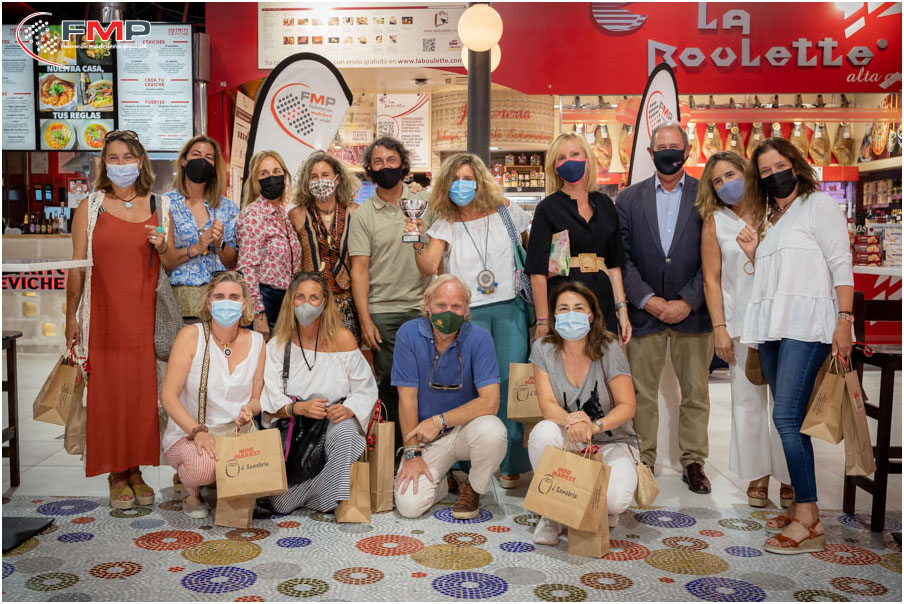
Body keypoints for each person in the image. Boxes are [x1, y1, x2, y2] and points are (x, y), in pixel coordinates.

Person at [737, 137, 853, 554]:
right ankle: (804, 508)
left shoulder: (819, 205)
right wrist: (755, 252)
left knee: (786, 418)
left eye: (779, 167)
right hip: (774, 328)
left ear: (796, 165)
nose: (774, 176)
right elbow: (777, 277)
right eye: (765, 172)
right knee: (788, 418)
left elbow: (841, 263)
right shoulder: (773, 218)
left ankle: (808, 516)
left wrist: (845, 318)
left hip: (806, 326)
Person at [66, 130, 180, 508]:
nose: (121, 164)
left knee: (141, 396)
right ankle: (116, 472)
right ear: (104, 164)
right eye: (113, 158)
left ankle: (136, 469)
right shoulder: (91, 207)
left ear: (140, 161)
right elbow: (77, 267)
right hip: (103, 317)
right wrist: (70, 317)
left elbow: (171, 261)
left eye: (127, 157)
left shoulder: (160, 206)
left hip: (145, 317)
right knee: (108, 395)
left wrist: (163, 245)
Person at [406, 153, 532, 488]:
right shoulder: (444, 222)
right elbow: (428, 267)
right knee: (469, 385)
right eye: (455, 180)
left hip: (509, 308)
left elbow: (528, 251)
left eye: (468, 179)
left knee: (509, 383)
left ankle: (510, 464)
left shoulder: (506, 211)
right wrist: (417, 240)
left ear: (480, 181)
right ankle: (466, 461)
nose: (462, 186)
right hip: (467, 314)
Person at [616, 122, 714, 494]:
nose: (668, 153)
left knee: (696, 393)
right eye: (662, 148)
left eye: (675, 147)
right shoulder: (628, 199)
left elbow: (713, 257)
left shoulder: (706, 196)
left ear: (687, 152)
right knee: (641, 393)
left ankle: (693, 462)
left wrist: (688, 300)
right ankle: (644, 460)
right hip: (645, 314)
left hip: (694, 313)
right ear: (650, 153)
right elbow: (622, 257)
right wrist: (648, 299)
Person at [698, 151, 792, 508]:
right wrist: (719, 328)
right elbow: (711, 279)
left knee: (785, 403)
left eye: (730, 175)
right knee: (747, 401)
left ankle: (789, 475)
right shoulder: (716, 221)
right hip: (739, 323)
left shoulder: (775, 211)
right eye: (717, 181)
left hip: (781, 320)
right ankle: (758, 474)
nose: (725, 184)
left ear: (747, 173)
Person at [528, 282, 638, 544]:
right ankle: (551, 514)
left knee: (615, 501)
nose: (571, 314)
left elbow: (627, 405)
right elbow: (547, 404)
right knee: (542, 432)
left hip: (610, 441)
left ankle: (595, 507)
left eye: (578, 308)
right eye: (563, 309)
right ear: (554, 316)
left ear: (591, 315)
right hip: (570, 441)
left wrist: (593, 426)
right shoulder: (543, 348)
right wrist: (572, 420)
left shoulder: (609, 347)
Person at [261, 272, 377, 514]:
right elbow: (269, 397)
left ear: (324, 303)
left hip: (333, 422)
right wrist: (298, 408)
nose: (306, 304)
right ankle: (330, 494)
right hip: (296, 430)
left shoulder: (343, 339)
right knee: (281, 505)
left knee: (346, 432)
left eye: (314, 298)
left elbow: (365, 387)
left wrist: (349, 408)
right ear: (291, 301)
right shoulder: (278, 346)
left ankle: (328, 495)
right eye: (300, 297)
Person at [392, 275, 507, 519]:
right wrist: (412, 452)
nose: (448, 312)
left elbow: (490, 402)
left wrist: (440, 421)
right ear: (427, 305)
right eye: (441, 305)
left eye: (456, 306)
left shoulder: (480, 338)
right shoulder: (408, 334)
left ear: (466, 309)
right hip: (425, 438)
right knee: (409, 507)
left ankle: (474, 488)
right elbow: (407, 399)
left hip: (465, 430)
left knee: (494, 432)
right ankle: (443, 482)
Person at [348, 137, 431, 446]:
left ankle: (432, 449)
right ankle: (396, 451)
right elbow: (359, 270)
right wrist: (365, 320)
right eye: (378, 162)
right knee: (392, 384)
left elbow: (439, 253)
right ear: (369, 168)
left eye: (391, 160)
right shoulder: (363, 215)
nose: (385, 167)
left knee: (428, 380)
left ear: (403, 165)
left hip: (422, 307)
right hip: (382, 311)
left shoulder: (424, 203)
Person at [160, 271, 264, 518]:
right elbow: (168, 397)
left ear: (244, 304)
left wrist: (249, 410)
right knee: (203, 467)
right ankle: (191, 491)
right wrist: (197, 432)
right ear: (209, 303)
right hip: (190, 433)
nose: (227, 302)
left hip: (234, 434)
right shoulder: (191, 336)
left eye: (234, 297)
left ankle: (221, 481)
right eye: (219, 296)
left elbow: (256, 399)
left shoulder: (258, 341)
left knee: (269, 473)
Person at [526, 132, 631, 343]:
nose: (569, 161)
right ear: (555, 167)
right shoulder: (547, 208)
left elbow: (614, 265)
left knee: (604, 358)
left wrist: (622, 310)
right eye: (561, 158)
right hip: (564, 302)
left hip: (603, 301)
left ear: (587, 159)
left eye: (575, 154)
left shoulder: (605, 205)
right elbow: (537, 272)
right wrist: (542, 321)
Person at [289, 151, 361, 343]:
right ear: (307, 182)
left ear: (337, 179)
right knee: (310, 352)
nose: (320, 181)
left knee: (345, 353)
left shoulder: (355, 212)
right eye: (314, 176)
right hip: (309, 303)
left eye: (325, 175)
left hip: (346, 303)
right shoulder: (297, 215)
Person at [166, 135, 239, 321]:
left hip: (220, 300)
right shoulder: (165, 204)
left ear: (215, 166)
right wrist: (197, 248)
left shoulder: (228, 208)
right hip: (179, 298)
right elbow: (166, 260)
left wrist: (219, 243)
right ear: (183, 160)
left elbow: (233, 262)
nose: (202, 161)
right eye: (196, 154)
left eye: (208, 157)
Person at [236, 150, 303, 336]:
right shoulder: (253, 215)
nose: (272, 178)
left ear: (284, 175)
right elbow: (247, 268)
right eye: (264, 173)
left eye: (276, 171)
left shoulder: (283, 213)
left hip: (286, 299)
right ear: (256, 182)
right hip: (265, 299)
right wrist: (258, 313)